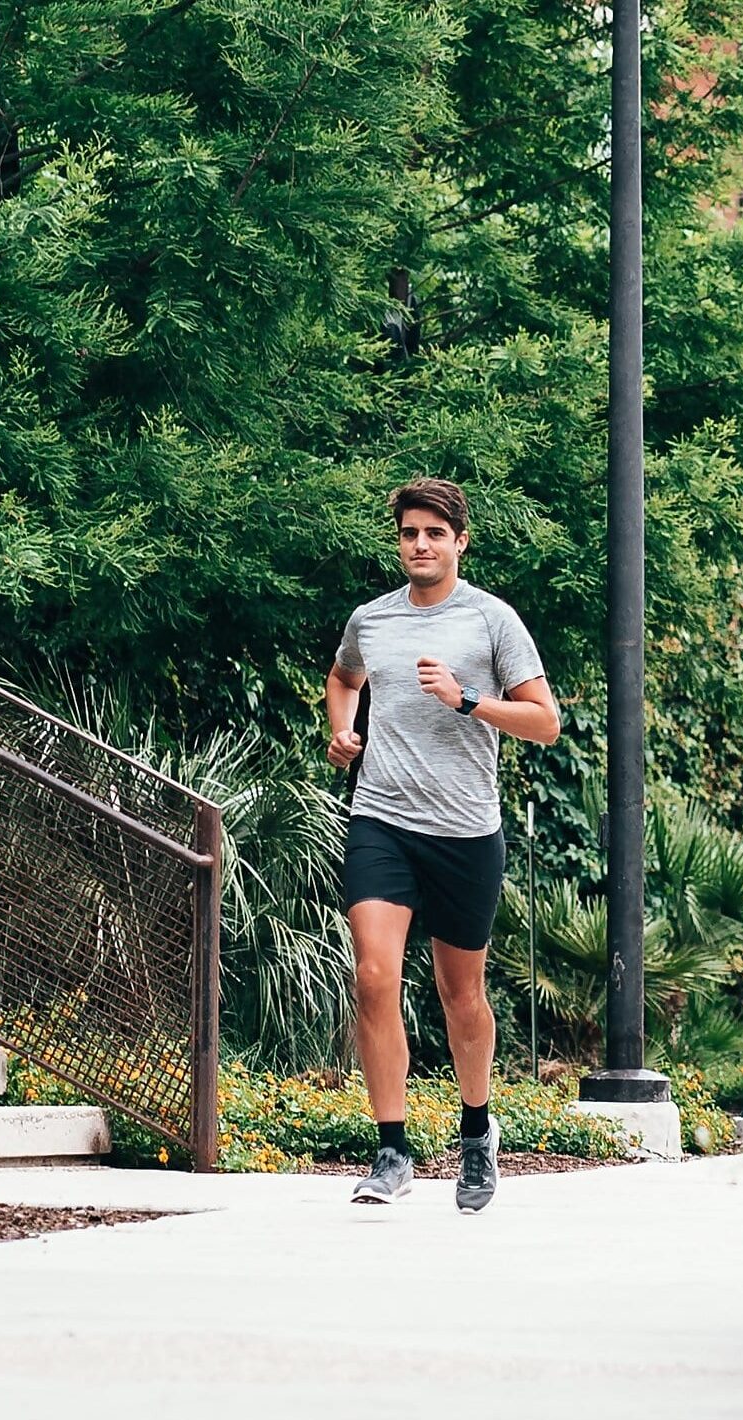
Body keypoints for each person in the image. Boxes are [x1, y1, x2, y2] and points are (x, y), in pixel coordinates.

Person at [327, 478, 560, 1211]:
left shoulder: (492, 621)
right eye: (409, 534)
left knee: (461, 995)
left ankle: (476, 1131)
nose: (420, 545)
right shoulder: (372, 619)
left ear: (460, 541)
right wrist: (341, 728)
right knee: (372, 976)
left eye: (434, 533)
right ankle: (392, 1148)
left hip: (464, 830)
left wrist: (466, 699)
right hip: (382, 818)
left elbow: (545, 722)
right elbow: (343, 676)